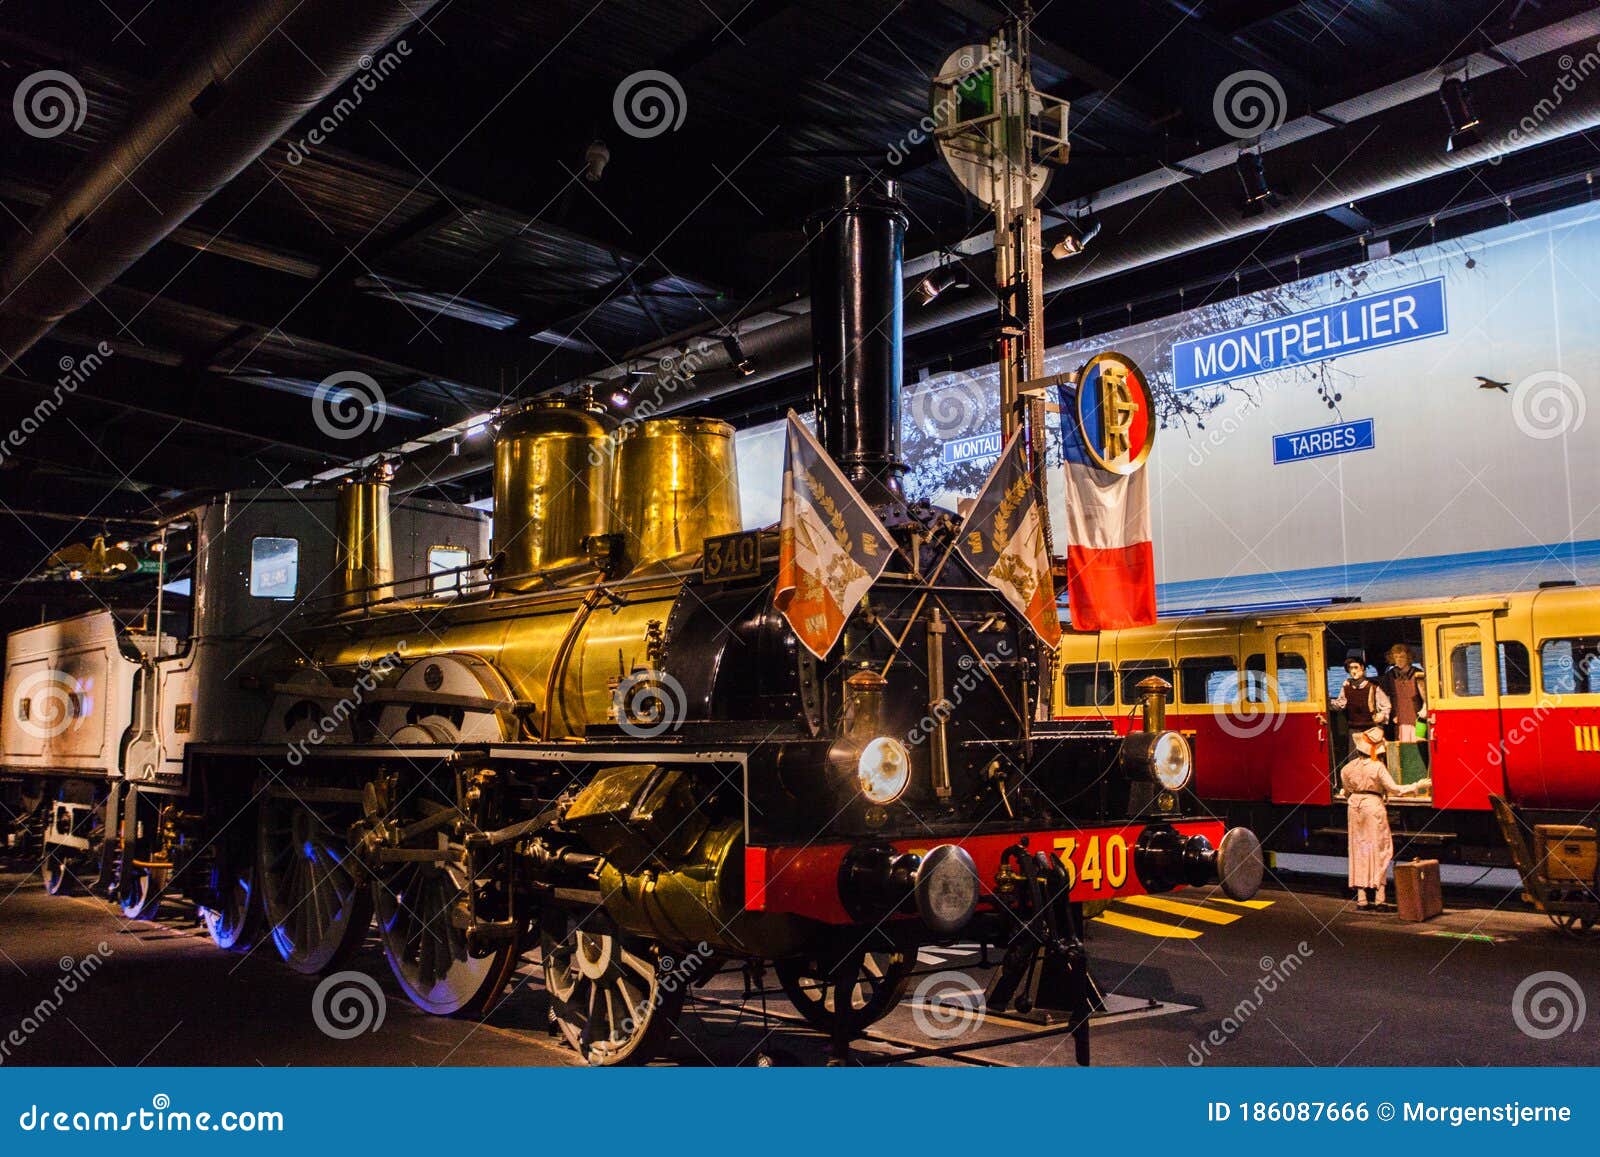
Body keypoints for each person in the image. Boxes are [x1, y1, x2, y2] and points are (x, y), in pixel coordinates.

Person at [1342, 727, 1430, 908]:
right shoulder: (1378, 767)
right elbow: (1395, 790)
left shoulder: (1347, 768)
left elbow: (1347, 791)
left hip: (1354, 807)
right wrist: (1417, 786)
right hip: (1373, 807)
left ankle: (1362, 898)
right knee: (1379, 850)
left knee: (1359, 850)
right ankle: (1380, 898)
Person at [1332, 657, 1390, 751]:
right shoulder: (1346, 688)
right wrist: (1327, 702)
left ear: (1362, 668)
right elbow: (1340, 704)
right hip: (1353, 729)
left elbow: (1386, 706)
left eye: (1356, 667)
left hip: (1371, 729)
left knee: (1372, 756)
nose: (1353, 671)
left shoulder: (1373, 687)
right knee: (1355, 756)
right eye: (1350, 668)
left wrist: (1382, 715)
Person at [1379, 644, 1427, 742]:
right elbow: (1384, 696)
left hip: (1415, 713)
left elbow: (1425, 695)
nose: (1399, 660)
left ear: (1408, 657)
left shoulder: (1417, 673)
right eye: (1396, 657)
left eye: (1402, 657)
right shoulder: (1390, 675)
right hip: (1399, 715)